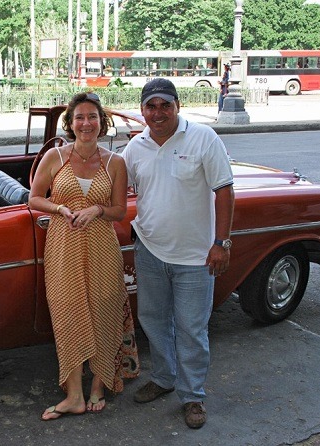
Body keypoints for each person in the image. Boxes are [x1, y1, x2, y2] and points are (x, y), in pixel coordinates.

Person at [121, 78, 234, 429]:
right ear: (142, 110)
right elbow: (110, 186)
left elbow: (225, 192)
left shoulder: (203, 138)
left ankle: (192, 396)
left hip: (196, 258)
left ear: (177, 106)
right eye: (150, 106)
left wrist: (221, 243)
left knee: (191, 329)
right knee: (153, 320)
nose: (157, 113)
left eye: (164, 105)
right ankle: (165, 378)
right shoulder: (135, 148)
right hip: (150, 250)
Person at [29, 92, 139, 421]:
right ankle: (74, 394)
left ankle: (99, 386)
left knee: (103, 313)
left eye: (92, 117)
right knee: (67, 316)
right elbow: (35, 199)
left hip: (102, 247)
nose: (86, 123)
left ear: (101, 123)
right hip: (63, 245)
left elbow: (120, 211)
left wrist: (98, 209)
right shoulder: (55, 157)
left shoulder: (114, 162)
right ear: (71, 123)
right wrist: (60, 207)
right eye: (79, 117)